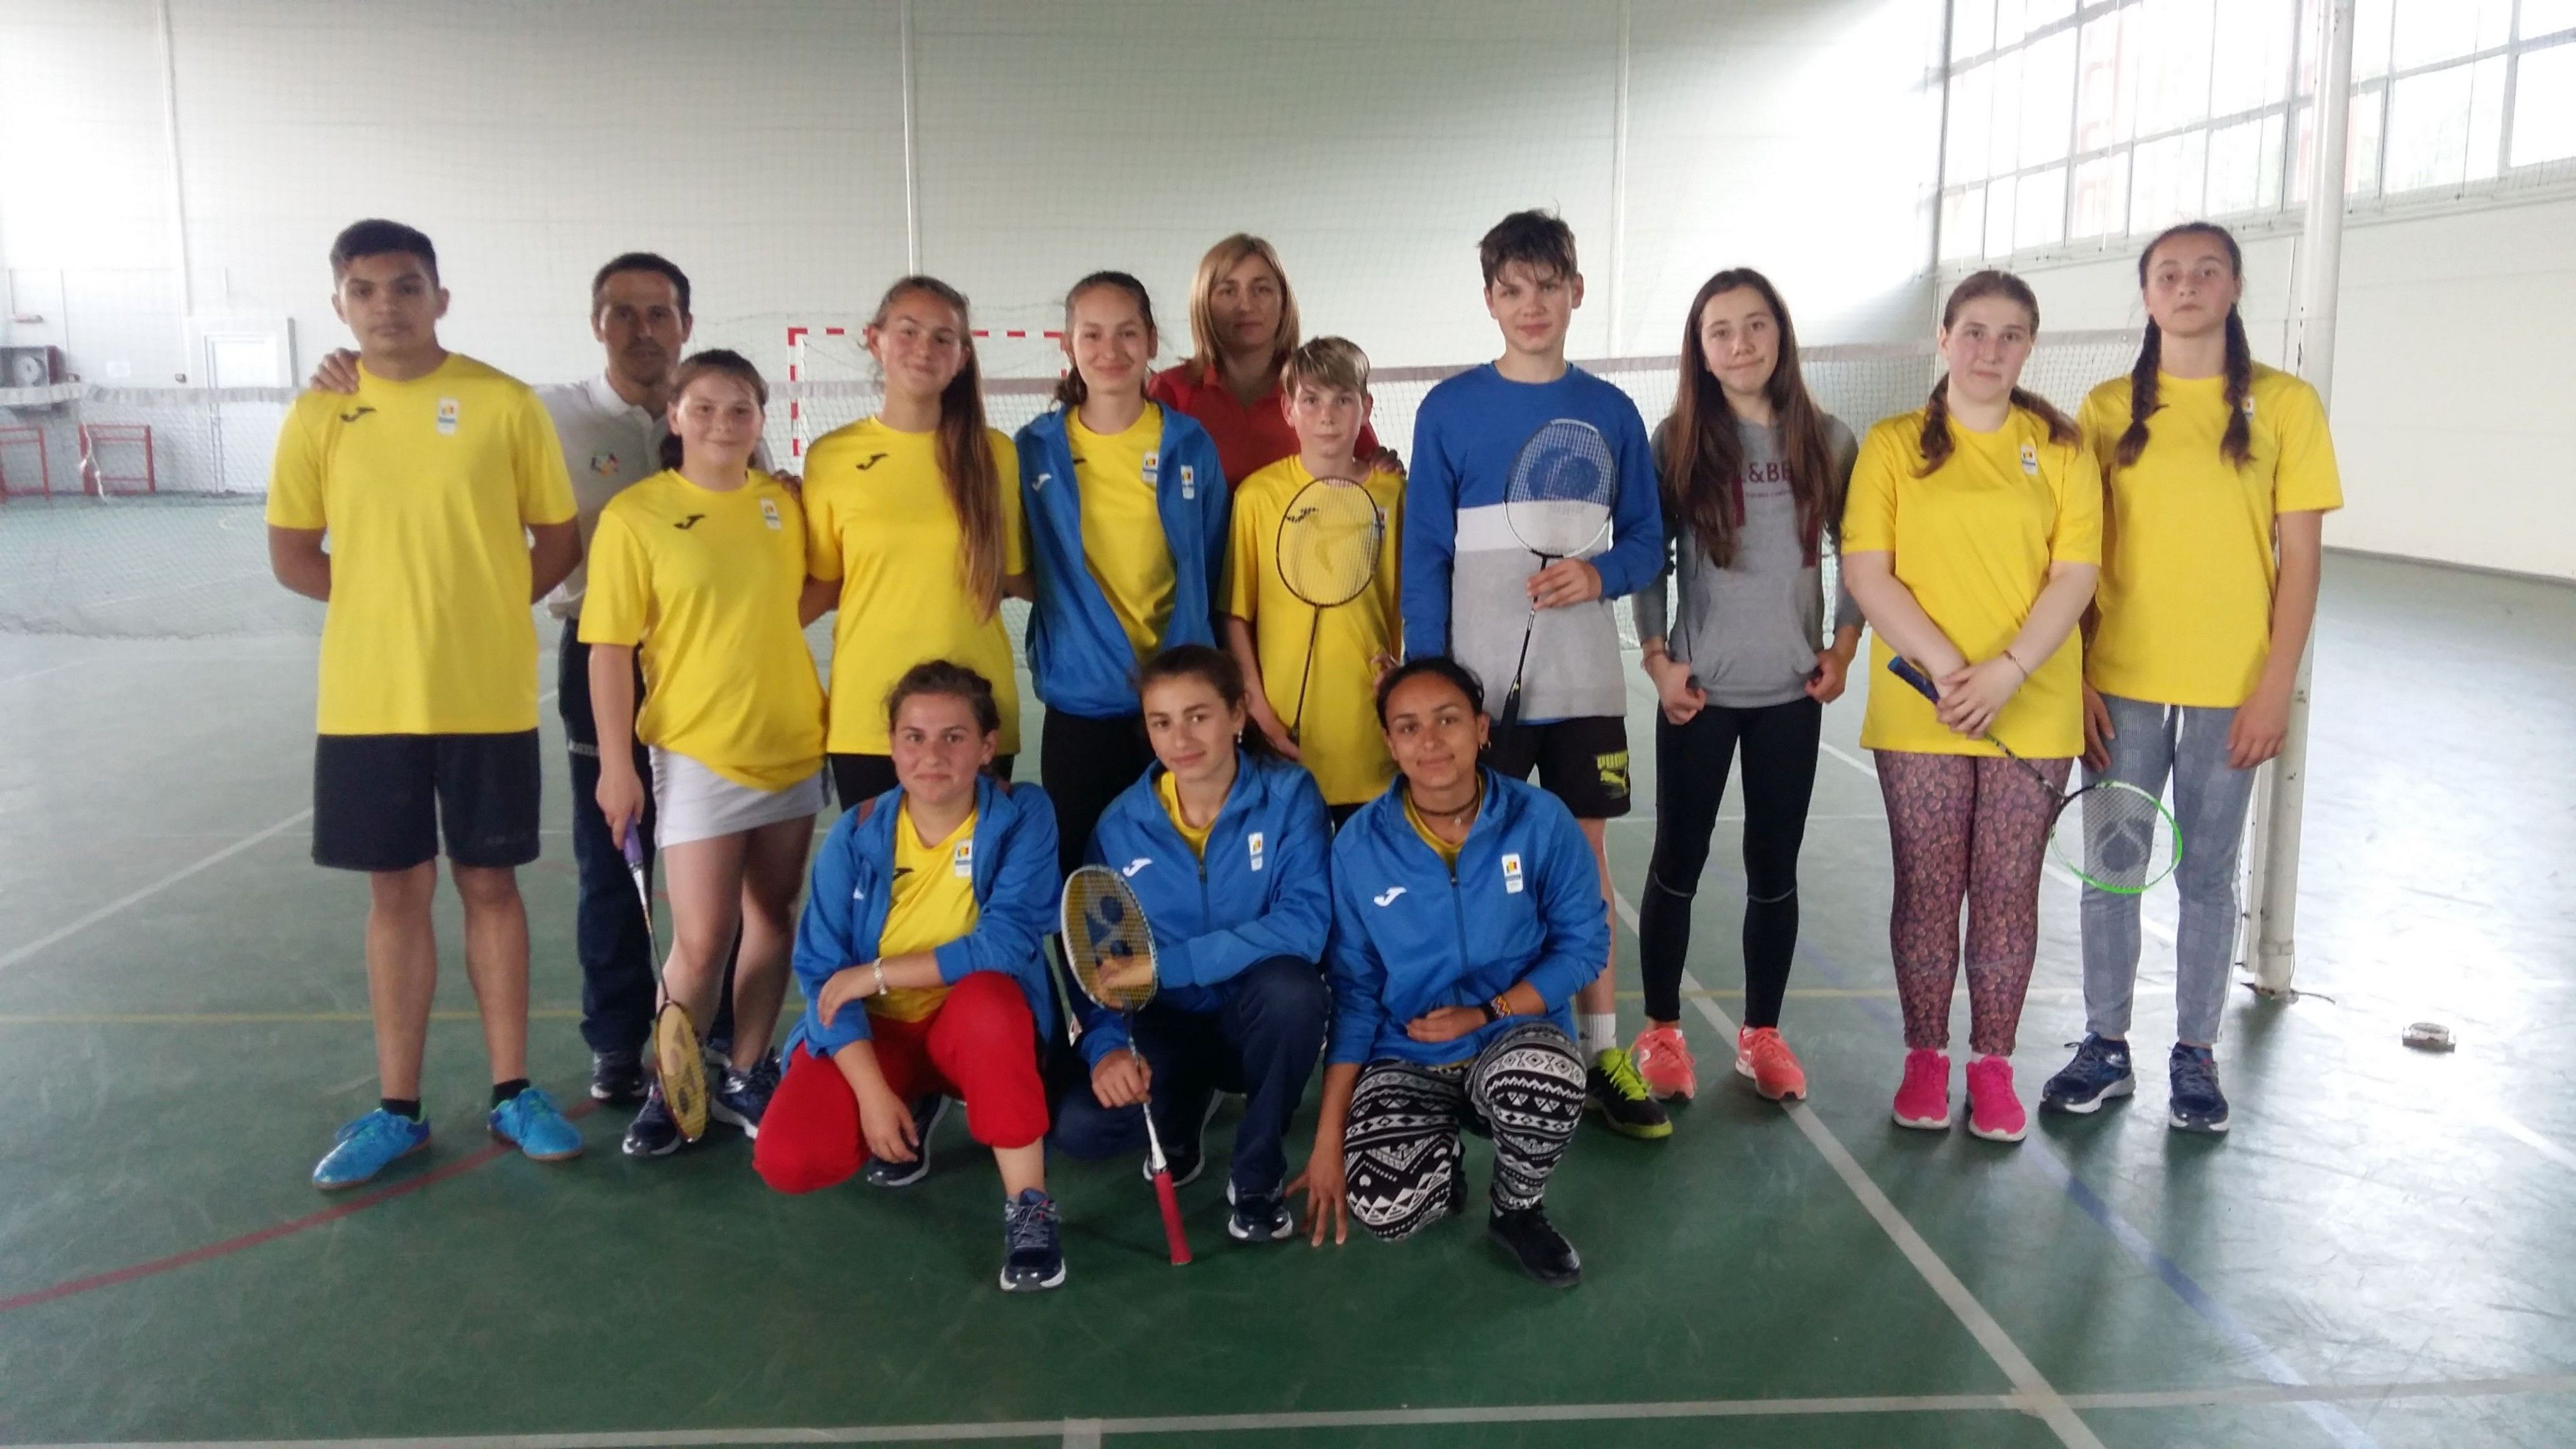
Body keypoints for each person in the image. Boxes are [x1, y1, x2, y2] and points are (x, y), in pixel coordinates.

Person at [312, 252, 751, 1106]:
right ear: (596, 325)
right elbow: (425, 425)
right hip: (601, 653)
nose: (641, 329)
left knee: (715, 854)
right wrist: (348, 370)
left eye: (659, 313)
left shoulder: (720, 412)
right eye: (622, 313)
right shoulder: (545, 413)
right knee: (612, 855)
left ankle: (719, 1032)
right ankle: (616, 1042)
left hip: (712, 659)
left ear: (686, 325)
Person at [266, 219, 584, 1189]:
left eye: (406, 287)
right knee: (395, 894)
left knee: (491, 885)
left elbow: (558, 539)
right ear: (339, 306)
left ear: (440, 298)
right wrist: (386, 609)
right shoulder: (320, 413)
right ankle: (396, 1109)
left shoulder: (503, 403)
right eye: (363, 291)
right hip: (367, 702)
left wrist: (479, 609)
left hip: (486, 694)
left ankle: (512, 1092)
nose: (387, 306)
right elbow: (293, 554)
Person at [2043, 222, 2341, 1134]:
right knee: (2114, 871)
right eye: (2168, 274)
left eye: (2206, 271)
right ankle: (2105, 1045)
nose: (2186, 285)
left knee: (2208, 876)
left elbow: (2301, 560)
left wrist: (2274, 686)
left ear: (2235, 287)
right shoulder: (2105, 410)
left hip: (2231, 691)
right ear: (2146, 296)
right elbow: (2073, 553)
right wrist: (2076, 675)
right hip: (2121, 684)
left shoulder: (2285, 405)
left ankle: (2196, 1054)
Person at [1401, 209, 1668, 1140]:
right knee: (1480, 864)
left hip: (1584, 684)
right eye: (1511, 289)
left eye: (1547, 286)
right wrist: (1429, 684)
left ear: (1576, 292)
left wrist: (1601, 575)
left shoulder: (1612, 413)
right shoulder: (1447, 410)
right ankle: (1489, 1049)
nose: (1531, 305)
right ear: (1489, 300)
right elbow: (1424, 553)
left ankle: (1601, 1053)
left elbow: (1649, 542)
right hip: (1479, 695)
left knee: (1584, 864)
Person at [1840, 270, 2102, 1145]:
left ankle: (1993, 1066)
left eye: (2011, 334)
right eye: (1975, 331)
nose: (1991, 350)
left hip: (2034, 702)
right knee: (1926, 888)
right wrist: (1957, 673)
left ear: (2030, 347)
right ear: (1944, 340)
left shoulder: (2061, 448)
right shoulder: (1892, 445)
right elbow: (1867, 572)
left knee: (2006, 892)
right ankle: (1925, 1058)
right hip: (1926, 704)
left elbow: (2075, 574)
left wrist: (2009, 673)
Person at [580, 350, 826, 1155]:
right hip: (695, 753)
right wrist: (616, 765)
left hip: (791, 742)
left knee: (772, 918)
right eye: (707, 408)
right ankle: (673, 1086)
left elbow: (802, 597)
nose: (724, 423)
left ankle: (746, 1069)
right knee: (702, 937)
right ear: (676, 416)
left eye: (741, 409)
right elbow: (609, 649)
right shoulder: (637, 515)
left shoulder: (783, 505)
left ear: (760, 419)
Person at [754, 663, 1066, 1293]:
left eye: (954, 737)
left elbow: (1005, 944)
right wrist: (871, 1094)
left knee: (990, 1000)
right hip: (880, 1034)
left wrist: (875, 974)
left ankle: (1029, 1206)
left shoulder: (1022, 814)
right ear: (892, 746)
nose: (932, 755)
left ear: (987, 747)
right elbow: (822, 974)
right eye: (914, 737)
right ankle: (910, 1100)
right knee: (787, 1159)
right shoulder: (856, 833)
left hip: (969, 1026)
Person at [1630, 269, 1862, 1108]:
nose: (1741, 344)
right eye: (1720, 331)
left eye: (1756, 325)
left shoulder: (1828, 439)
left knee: (1774, 866)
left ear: (1781, 334)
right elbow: (1650, 558)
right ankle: (1661, 1031)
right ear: (1700, 349)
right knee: (1678, 861)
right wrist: (1657, 659)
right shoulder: (1676, 440)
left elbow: (1861, 553)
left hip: (1790, 697)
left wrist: (1843, 646)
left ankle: (1761, 1034)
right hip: (1700, 692)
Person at [1293, 657, 1598, 1287]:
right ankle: (1441, 1156)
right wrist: (1328, 1140)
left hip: (1511, 1036)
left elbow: (1584, 946)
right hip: (1408, 1052)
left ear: (1481, 729)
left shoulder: (1540, 821)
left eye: (1447, 720)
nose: (1429, 741)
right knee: (1387, 1206)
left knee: (1548, 1079)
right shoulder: (1358, 847)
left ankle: (1516, 1210)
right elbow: (1354, 994)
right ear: (1390, 743)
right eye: (1408, 727)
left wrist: (1488, 1012)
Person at [1049, 646, 1333, 1243]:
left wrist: (1165, 966)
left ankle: (1257, 1171)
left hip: (1253, 1019)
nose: (1180, 739)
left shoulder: (1289, 797)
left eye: (1198, 716)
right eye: (1162, 722)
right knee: (1081, 1129)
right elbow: (1101, 965)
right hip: (1165, 1025)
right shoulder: (1120, 826)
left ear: (1238, 714)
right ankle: (1183, 1102)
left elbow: (1304, 925)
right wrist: (1107, 1049)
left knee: (1295, 993)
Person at [1017, 271, 1230, 878]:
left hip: (1179, 700)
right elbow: (1019, 561)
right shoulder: (1033, 450)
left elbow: (1210, 561)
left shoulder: (1190, 444)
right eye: (1092, 334)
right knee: (1085, 876)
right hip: (1081, 705)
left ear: (1152, 340)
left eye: (1127, 332)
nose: (1109, 350)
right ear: (1068, 344)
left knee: (1183, 871)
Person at [802, 275, 1030, 808]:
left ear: (962, 357)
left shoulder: (996, 455)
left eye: (942, 337)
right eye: (908, 331)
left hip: (974, 712)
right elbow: (826, 584)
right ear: (874, 339)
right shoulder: (830, 457)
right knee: (878, 863)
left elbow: (1018, 576)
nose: (924, 348)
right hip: (868, 717)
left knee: (974, 864)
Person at [1221, 336, 1405, 822]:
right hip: (1282, 729)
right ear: (1288, 410)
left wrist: (1405, 686)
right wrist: (1258, 709)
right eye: (1311, 400)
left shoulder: (1394, 493)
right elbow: (1235, 615)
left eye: (1343, 400)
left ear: (1366, 409)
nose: (1327, 416)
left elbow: (1414, 603)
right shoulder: (1257, 497)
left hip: (1370, 728)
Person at [1148, 233, 1386, 487]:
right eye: (1228, 291)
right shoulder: (1171, 391)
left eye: (1261, 289)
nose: (1246, 305)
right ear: (1204, 305)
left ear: (1283, 303)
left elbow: (1370, 472)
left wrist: (1384, 465)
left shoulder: (1320, 387)